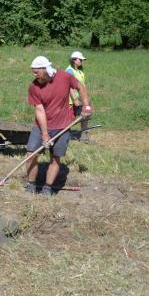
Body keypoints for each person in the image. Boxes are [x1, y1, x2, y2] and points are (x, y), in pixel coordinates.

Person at [25, 56, 93, 196]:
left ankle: (47, 187)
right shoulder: (34, 87)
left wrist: (86, 105)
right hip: (41, 125)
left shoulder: (64, 77)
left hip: (63, 125)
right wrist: (44, 134)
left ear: (45, 69)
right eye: (33, 71)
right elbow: (39, 111)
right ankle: (31, 185)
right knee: (31, 154)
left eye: (36, 71)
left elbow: (80, 87)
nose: (34, 74)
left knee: (55, 157)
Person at [66, 51, 91, 142]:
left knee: (86, 114)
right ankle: (63, 135)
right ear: (74, 60)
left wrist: (86, 96)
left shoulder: (80, 71)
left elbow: (83, 85)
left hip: (82, 98)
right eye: (80, 60)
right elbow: (69, 87)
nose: (82, 61)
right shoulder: (69, 71)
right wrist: (75, 99)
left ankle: (84, 135)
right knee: (70, 118)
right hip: (72, 99)